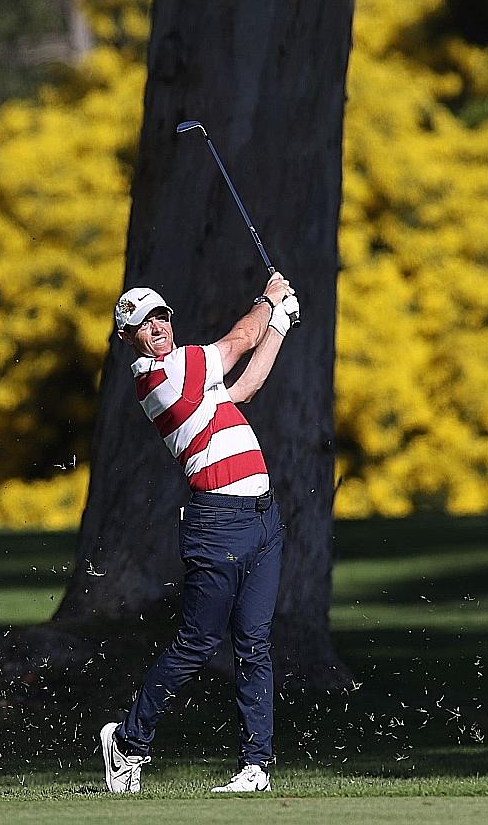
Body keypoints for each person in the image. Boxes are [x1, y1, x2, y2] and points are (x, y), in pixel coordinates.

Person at [99, 271, 299, 795]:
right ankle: (127, 741)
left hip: (262, 519)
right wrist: (268, 300)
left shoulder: (193, 371)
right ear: (128, 339)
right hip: (218, 524)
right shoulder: (163, 375)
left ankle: (255, 766)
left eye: (161, 316)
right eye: (143, 324)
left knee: (254, 643)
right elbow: (238, 341)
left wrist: (280, 324)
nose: (157, 326)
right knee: (197, 642)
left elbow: (247, 387)